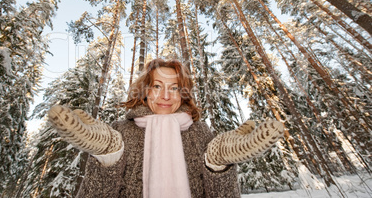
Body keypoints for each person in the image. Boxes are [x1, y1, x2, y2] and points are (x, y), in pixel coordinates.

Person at [48, 59, 284, 198]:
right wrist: (109, 158)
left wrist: (218, 166)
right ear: (145, 91)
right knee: (109, 146)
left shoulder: (201, 132)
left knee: (217, 155)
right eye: (157, 86)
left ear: (183, 95)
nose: (164, 96)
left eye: (173, 88)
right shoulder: (120, 130)